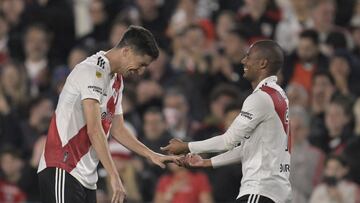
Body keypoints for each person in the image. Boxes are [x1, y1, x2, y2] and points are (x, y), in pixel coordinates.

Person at [37, 25, 179, 203]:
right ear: (126, 51)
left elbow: (118, 129)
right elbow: (94, 129)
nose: (141, 71)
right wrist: (114, 175)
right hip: (62, 166)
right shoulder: (92, 71)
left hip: (86, 177)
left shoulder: (117, 80)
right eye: (141, 64)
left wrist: (151, 154)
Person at [161, 40, 292, 203]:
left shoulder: (259, 98)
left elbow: (228, 141)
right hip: (277, 192)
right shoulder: (279, 95)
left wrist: (186, 146)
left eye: (248, 57)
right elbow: (247, 148)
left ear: (263, 63)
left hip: (260, 189)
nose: (243, 61)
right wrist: (207, 162)